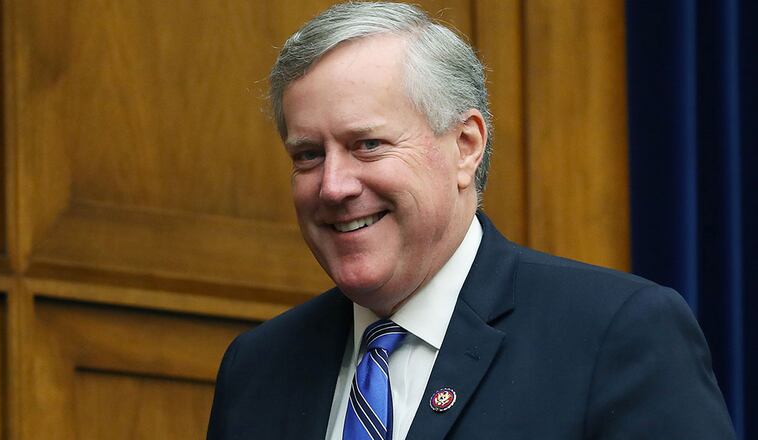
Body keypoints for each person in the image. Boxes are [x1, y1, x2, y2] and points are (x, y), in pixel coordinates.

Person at [207, 2, 736, 439]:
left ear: (466, 146)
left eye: (367, 144)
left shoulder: (616, 335)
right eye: (308, 155)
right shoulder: (259, 366)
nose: (333, 186)